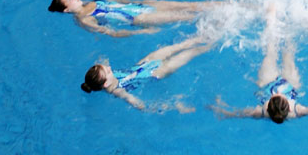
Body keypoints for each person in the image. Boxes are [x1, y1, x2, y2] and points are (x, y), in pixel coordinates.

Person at [212, 6, 308, 123]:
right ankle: (290, 22)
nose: (277, 93)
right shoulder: (296, 111)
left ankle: (271, 18)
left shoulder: (261, 112)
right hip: (290, 85)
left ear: (268, 104)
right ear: (288, 106)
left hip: (267, 84)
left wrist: (221, 108)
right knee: (289, 55)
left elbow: (239, 113)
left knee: (270, 52)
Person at [80, 35, 213, 111]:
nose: (109, 67)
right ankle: (214, 44)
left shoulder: (103, 76)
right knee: (191, 53)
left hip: (144, 63)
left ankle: (211, 34)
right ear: (106, 83)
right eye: (108, 71)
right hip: (155, 73)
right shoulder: (117, 91)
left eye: (106, 67)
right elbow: (140, 105)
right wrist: (172, 106)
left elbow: (102, 62)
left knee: (182, 45)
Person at [48, 0, 220, 36]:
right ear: (66, 9)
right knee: (188, 16)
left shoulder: (93, 1)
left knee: (191, 5)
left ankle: (231, 5)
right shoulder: (85, 20)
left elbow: (120, 0)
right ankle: (224, 17)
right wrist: (141, 31)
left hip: (141, 6)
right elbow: (112, 33)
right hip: (140, 18)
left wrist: (143, 3)